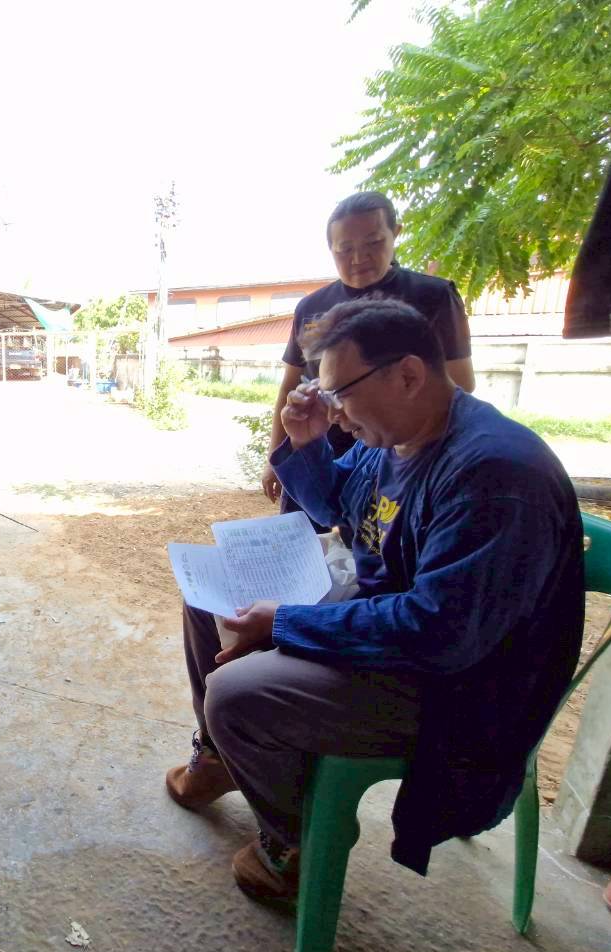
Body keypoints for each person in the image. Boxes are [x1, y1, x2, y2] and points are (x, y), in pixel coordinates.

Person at [165, 297, 583, 900]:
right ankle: (226, 759)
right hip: (398, 624)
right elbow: (342, 510)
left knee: (236, 694)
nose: (334, 410)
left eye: (342, 392)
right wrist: (309, 445)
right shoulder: (390, 438)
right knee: (214, 599)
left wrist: (286, 623)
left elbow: (440, 634)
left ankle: (294, 844)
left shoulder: (493, 473)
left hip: (458, 690)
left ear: (408, 374)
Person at [260, 192, 476, 523]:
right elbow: (289, 386)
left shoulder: (433, 296)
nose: (359, 257)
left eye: (373, 242)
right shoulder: (312, 307)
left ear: (396, 234)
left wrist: (397, 438)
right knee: (323, 531)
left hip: (404, 451)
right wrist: (285, 454)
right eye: (345, 249)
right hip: (330, 451)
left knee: (378, 538)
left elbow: (459, 384)